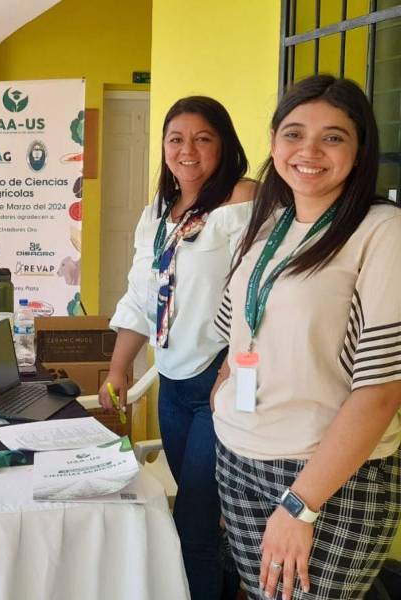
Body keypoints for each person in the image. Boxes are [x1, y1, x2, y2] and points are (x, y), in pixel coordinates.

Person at [212, 75, 401, 600]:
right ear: (273, 144)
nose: (309, 151)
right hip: (239, 456)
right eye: (293, 134)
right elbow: (239, 331)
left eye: (334, 137)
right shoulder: (268, 224)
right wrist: (224, 391)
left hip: (325, 476)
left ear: (360, 150)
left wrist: (300, 505)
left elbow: (382, 390)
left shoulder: (383, 231)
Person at [99, 96, 255, 599]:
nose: (187, 150)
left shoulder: (244, 203)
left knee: (194, 519)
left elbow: (264, 296)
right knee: (196, 508)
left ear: (225, 144)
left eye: (202, 138)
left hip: (221, 382)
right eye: (175, 139)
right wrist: (118, 369)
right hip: (172, 381)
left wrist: (234, 372)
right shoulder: (159, 216)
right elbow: (141, 298)